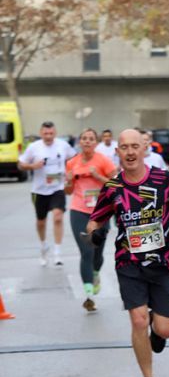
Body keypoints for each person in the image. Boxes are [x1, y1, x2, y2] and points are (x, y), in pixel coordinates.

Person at [87, 129, 169, 377]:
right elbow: (94, 221)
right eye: (125, 147)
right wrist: (95, 234)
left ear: (144, 149)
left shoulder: (164, 180)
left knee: (165, 329)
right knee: (138, 319)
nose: (130, 152)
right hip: (128, 263)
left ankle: (158, 335)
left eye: (135, 146)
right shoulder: (113, 188)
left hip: (162, 261)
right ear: (118, 152)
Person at [65, 128, 118, 311]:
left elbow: (115, 184)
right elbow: (68, 191)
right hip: (79, 210)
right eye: (84, 138)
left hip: (101, 211)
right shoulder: (72, 163)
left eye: (91, 139)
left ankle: (95, 272)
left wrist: (98, 176)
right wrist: (69, 182)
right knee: (86, 251)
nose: (87, 141)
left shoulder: (103, 160)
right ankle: (88, 295)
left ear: (96, 143)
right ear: (80, 142)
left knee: (97, 253)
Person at [18, 121, 74, 266]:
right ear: (41, 133)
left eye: (51, 133)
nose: (48, 136)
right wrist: (32, 166)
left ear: (55, 133)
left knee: (57, 217)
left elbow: (74, 159)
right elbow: (20, 164)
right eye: (45, 133)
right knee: (41, 222)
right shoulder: (33, 147)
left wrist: (69, 172)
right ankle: (43, 246)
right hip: (39, 190)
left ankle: (57, 252)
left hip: (58, 188)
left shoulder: (63, 145)